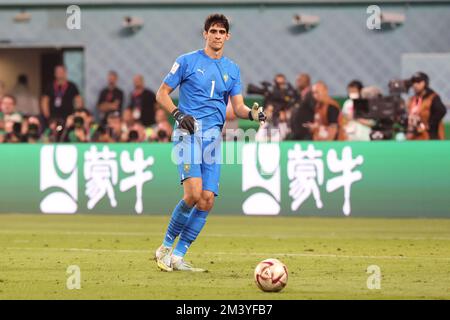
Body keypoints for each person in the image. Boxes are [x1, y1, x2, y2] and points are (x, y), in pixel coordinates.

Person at [154, 13, 266, 272]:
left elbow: (237, 107)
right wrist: (178, 114)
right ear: (205, 34)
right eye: (212, 31)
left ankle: (178, 257)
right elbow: (161, 93)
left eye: (221, 32)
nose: (217, 36)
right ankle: (164, 248)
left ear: (228, 36)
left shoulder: (232, 69)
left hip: (213, 140)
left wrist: (252, 114)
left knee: (206, 200)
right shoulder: (186, 61)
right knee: (192, 194)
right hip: (188, 133)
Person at [406, 72, 447, 140]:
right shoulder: (412, 99)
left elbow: (441, 111)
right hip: (414, 137)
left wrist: (427, 125)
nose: (415, 85)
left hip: (431, 136)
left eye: (418, 82)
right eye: (413, 82)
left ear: (425, 83)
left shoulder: (432, 97)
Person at [289, 73, 315, 140]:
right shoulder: (298, 96)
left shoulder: (311, 95)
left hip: (306, 134)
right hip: (297, 132)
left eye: (300, 80)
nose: (297, 82)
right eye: (297, 80)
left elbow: (315, 111)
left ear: (307, 81)